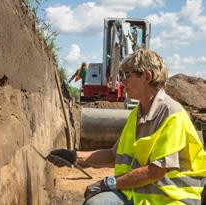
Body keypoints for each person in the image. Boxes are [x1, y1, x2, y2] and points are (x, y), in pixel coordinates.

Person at [49, 48, 206, 205]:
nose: (123, 82)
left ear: (146, 76)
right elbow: (113, 155)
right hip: (140, 192)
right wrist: (74, 157)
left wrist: (109, 183)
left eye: (128, 75)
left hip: (172, 199)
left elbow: (156, 171)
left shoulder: (172, 114)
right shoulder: (137, 114)